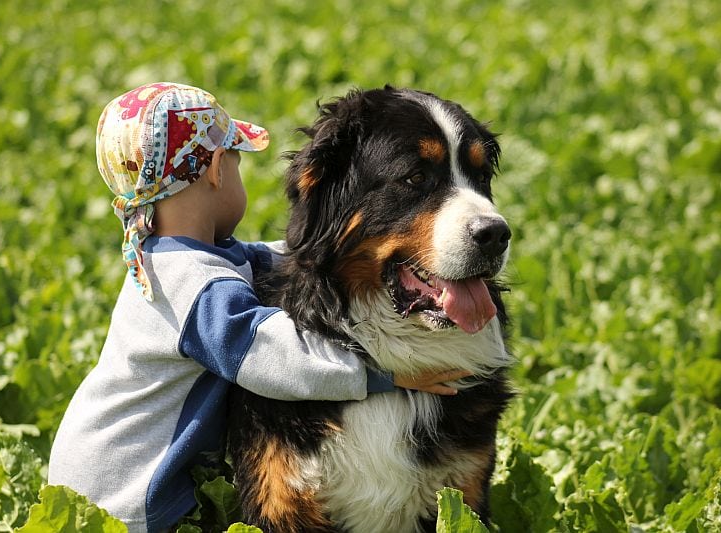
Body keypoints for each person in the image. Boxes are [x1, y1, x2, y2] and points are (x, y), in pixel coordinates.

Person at [47, 82, 469, 533]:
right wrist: (381, 375)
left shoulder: (180, 256)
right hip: (126, 491)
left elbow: (271, 256)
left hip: (108, 465)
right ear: (216, 171)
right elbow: (268, 357)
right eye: (238, 164)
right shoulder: (190, 285)